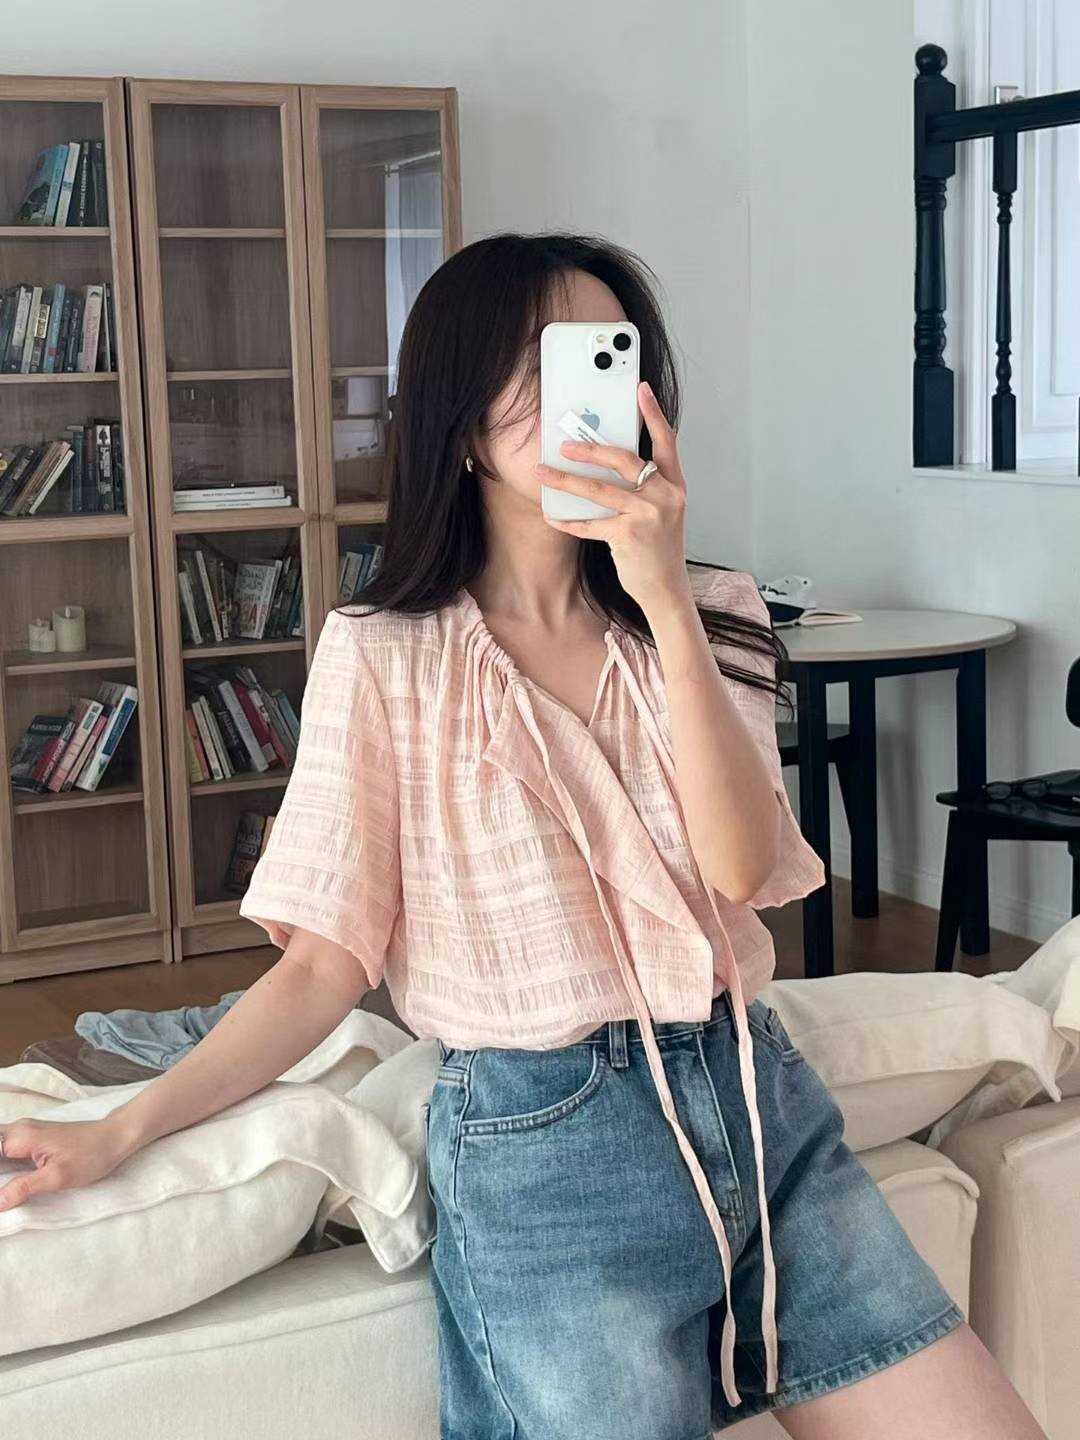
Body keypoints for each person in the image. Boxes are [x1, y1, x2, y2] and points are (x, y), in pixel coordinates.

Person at [0, 233, 1045, 1440]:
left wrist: (662, 594)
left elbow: (747, 870)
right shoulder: (384, 654)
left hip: (761, 1112)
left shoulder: (714, 612)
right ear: (459, 422)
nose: (580, 394)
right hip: (545, 1157)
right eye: (537, 366)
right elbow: (326, 964)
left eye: (604, 356)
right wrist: (123, 1128)